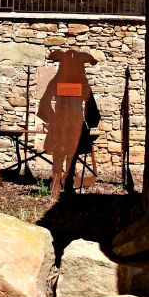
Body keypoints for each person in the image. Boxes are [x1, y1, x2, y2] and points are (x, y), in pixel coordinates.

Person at [37, 48, 98, 200]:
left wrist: (53, 120)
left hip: (66, 124)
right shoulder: (79, 83)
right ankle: (61, 183)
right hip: (72, 124)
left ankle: (62, 184)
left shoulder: (62, 82)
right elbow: (91, 107)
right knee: (67, 152)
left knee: (65, 152)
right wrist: (90, 120)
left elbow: (44, 105)